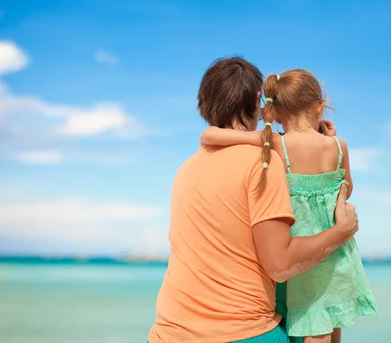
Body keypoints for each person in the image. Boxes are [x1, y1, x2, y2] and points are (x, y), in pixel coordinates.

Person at [147, 57, 358, 343]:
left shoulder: (186, 169)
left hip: (166, 333)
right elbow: (280, 265)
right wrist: (340, 232)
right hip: (243, 334)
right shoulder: (263, 162)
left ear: (203, 104)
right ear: (258, 102)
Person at [200, 69, 377, 343]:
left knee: (306, 317)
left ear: (276, 112)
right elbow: (348, 187)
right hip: (333, 248)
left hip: (299, 246)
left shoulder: (278, 145)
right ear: (320, 107)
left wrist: (258, 137)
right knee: (328, 317)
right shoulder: (339, 145)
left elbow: (210, 137)